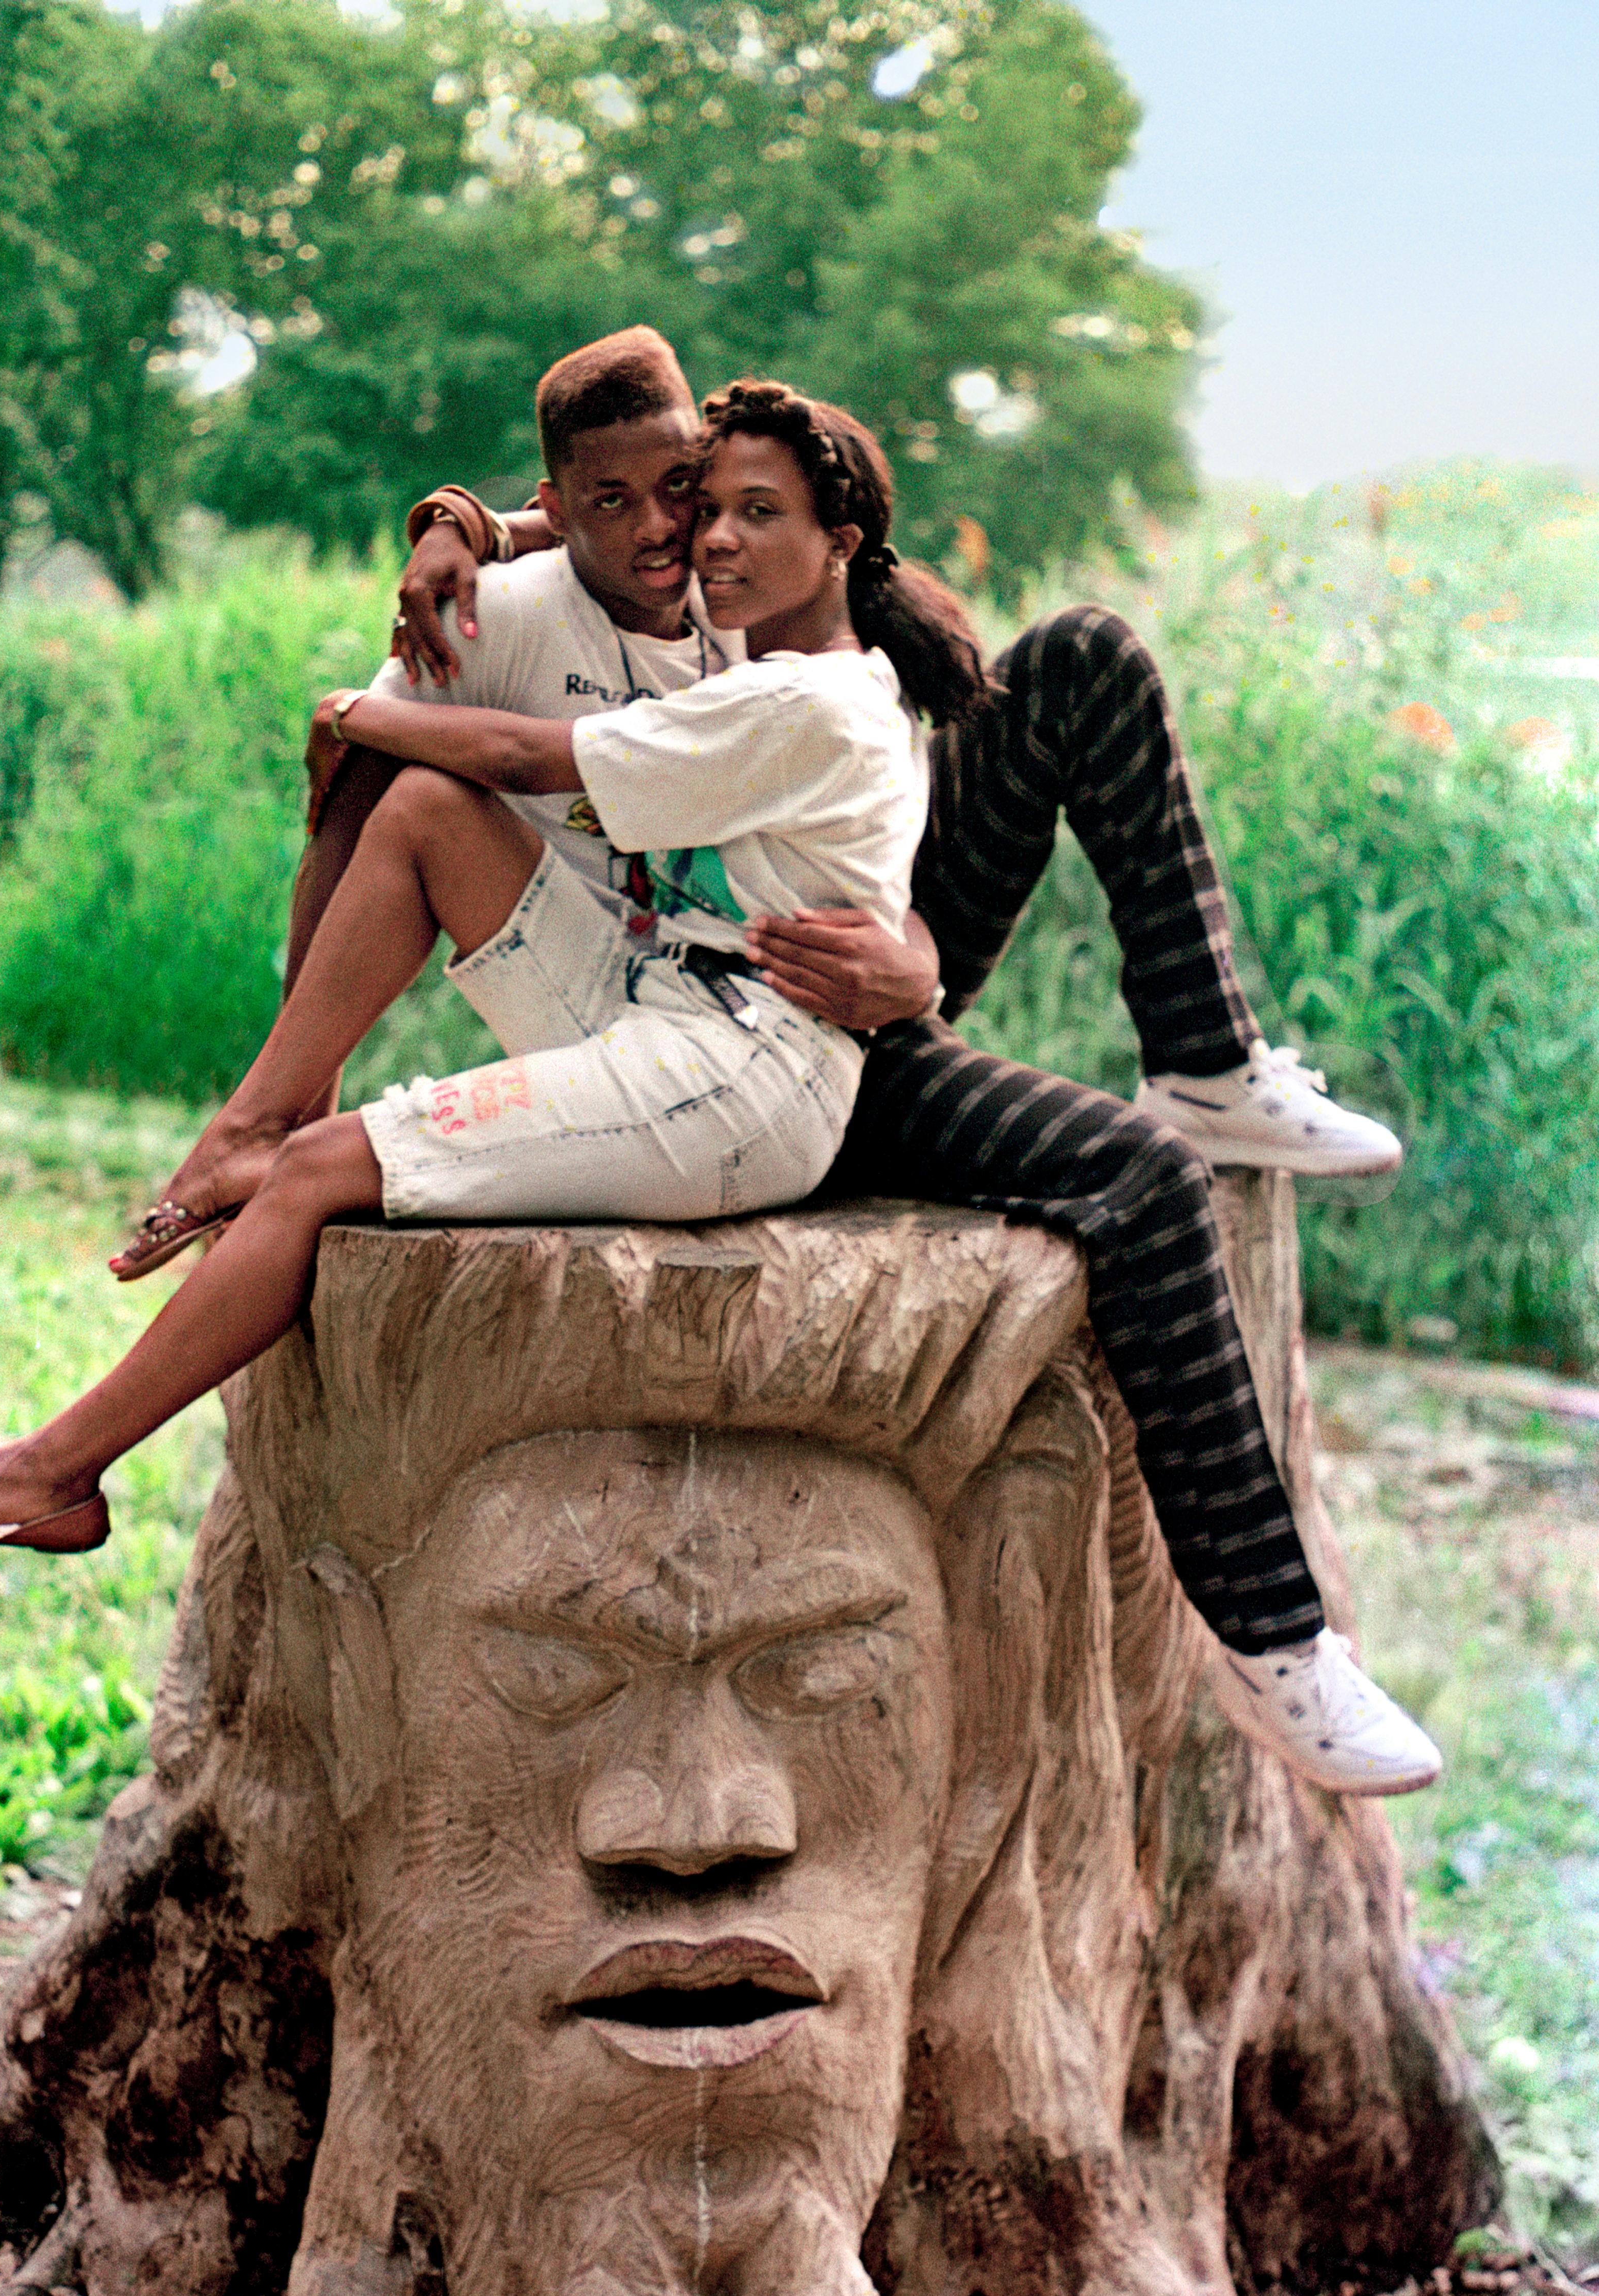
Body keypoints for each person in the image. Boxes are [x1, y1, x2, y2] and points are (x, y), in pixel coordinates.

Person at [139, 327, 1436, 1801]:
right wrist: (461, 530)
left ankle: (1210, 1061)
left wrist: (924, 964)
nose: (686, 534)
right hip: (750, 1025)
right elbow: (426, 743)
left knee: (1082, 657)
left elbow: (666, 522)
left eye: (707, 498)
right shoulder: (584, 599)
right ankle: (1279, 1642)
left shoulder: (762, 594)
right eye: (658, 508)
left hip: (854, 945)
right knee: (1135, 1182)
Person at [0, 384, 956, 1596]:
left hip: (741, 1074)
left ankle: (55, 1471)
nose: (712, 541)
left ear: (841, 544)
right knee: (431, 814)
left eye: (761, 515)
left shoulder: (806, 699)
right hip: (659, 999)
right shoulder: (766, 642)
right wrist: (464, 523)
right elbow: (581, 530)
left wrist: (354, 715)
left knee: (329, 1167)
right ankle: (257, 1118)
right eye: (716, 511)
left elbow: (519, 755)